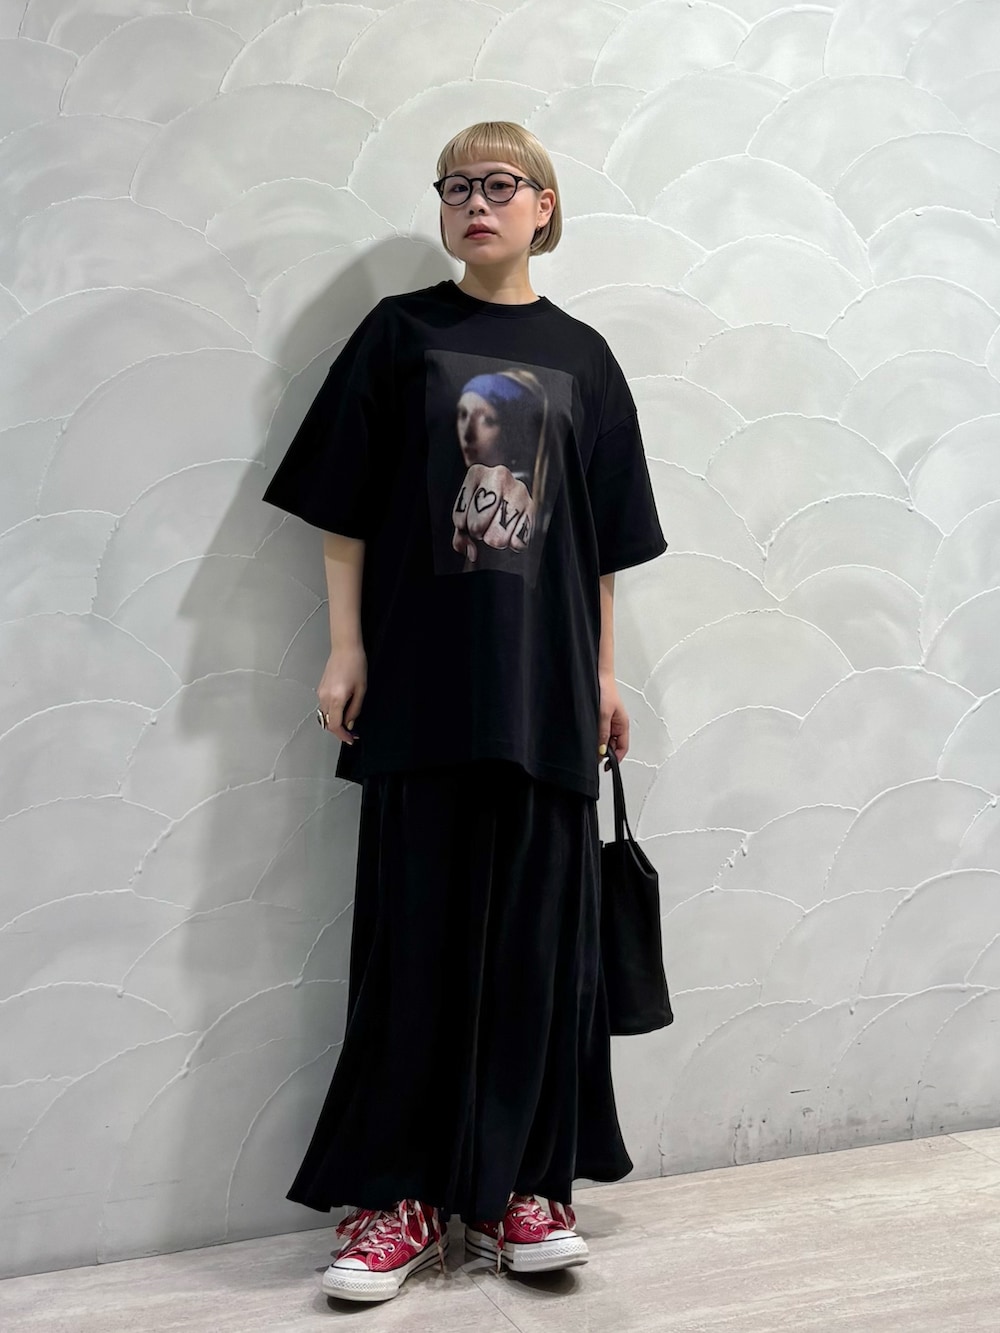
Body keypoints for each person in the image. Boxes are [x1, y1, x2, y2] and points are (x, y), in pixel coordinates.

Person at [261, 120, 668, 1306]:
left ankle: (525, 1189)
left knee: (540, 952)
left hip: (547, 696)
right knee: (413, 945)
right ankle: (396, 1200)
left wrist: (601, 674)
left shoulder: (585, 357)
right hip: (422, 688)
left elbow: (600, 543)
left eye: (498, 184)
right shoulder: (400, 335)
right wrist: (347, 646)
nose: (473, 203)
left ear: (545, 206)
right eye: (455, 187)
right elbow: (343, 505)